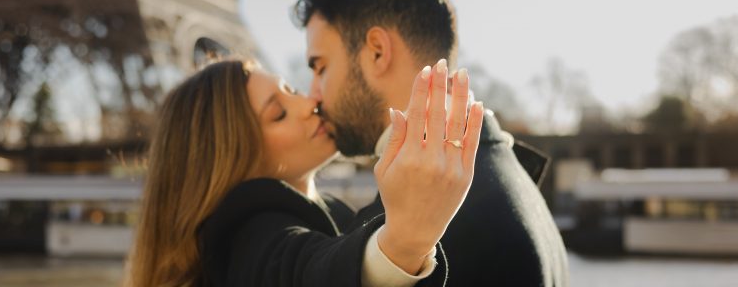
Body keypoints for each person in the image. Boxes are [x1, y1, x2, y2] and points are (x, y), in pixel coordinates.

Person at [294, 0, 570, 286]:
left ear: (377, 52)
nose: (312, 93)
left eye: (320, 68)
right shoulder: (510, 177)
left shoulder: (417, 229)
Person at [123, 59, 484, 286]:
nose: (310, 102)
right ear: (231, 156)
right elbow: (301, 271)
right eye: (277, 113)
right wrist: (404, 242)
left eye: (292, 90)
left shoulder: (336, 211)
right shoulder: (241, 232)